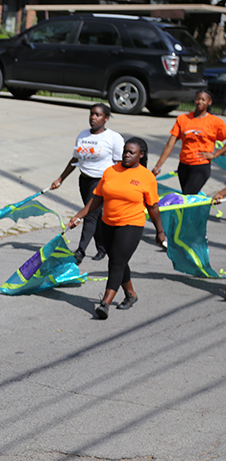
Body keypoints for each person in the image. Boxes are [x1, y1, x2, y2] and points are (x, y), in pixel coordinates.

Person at [70, 137, 165, 320]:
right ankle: (131, 294)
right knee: (118, 260)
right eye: (125, 151)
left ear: (141, 155)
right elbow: (97, 198)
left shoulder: (146, 177)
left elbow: (153, 207)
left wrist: (160, 231)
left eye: (131, 152)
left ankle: (105, 302)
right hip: (108, 223)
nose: (127, 155)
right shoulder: (111, 171)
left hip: (131, 224)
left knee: (116, 262)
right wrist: (78, 216)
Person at [50, 103, 124, 264]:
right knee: (95, 215)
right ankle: (102, 247)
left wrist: (115, 185)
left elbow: (120, 164)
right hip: (84, 180)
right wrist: (60, 178)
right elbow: (75, 159)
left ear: (106, 118)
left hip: (102, 181)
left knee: (90, 215)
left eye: (97, 115)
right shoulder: (83, 135)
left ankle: (80, 252)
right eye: (91, 114)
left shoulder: (113, 138)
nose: (93, 117)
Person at [152, 90, 226, 194]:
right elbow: (170, 144)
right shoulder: (183, 119)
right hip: (183, 165)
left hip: (201, 166)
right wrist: (158, 166)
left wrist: (215, 155)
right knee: (187, 197)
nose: (199, 102)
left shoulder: (215, 122)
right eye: (197, 99)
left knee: (187, 194)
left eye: (203, 100)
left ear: (209, 102)